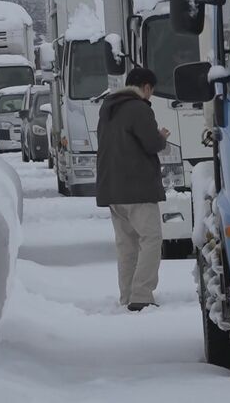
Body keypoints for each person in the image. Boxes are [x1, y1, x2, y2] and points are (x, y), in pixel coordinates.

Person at [96, 68, 170, 312]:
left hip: (112, 189)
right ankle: (142, 294)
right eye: (152, 91)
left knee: (126, 244)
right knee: (151, 239)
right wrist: (161, 137)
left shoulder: (108, 108)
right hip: (137, 188)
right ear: (146, 87)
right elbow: (151, 143)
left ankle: (127, 295)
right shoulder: (139, 108)